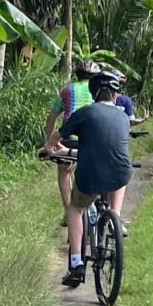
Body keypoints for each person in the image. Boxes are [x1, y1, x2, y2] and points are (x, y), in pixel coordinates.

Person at [46, 71, 132, 288]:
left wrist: (48, 148)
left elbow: (57, 136)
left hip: (90, 174)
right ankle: (116, 216)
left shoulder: (84, 113)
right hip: (120, 172)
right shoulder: (123, 117)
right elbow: (108, 147)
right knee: (121, 176)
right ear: (115, 95)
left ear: (93, 95)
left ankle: (76, 263)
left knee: (75, 209)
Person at [44, 61, 101, 226]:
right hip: (92, 139)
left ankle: (68, 212)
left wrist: (49, 142)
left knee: (64, 172)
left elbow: (51, 119)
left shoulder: (67, 90)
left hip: (68, 139)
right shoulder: (99, 90)